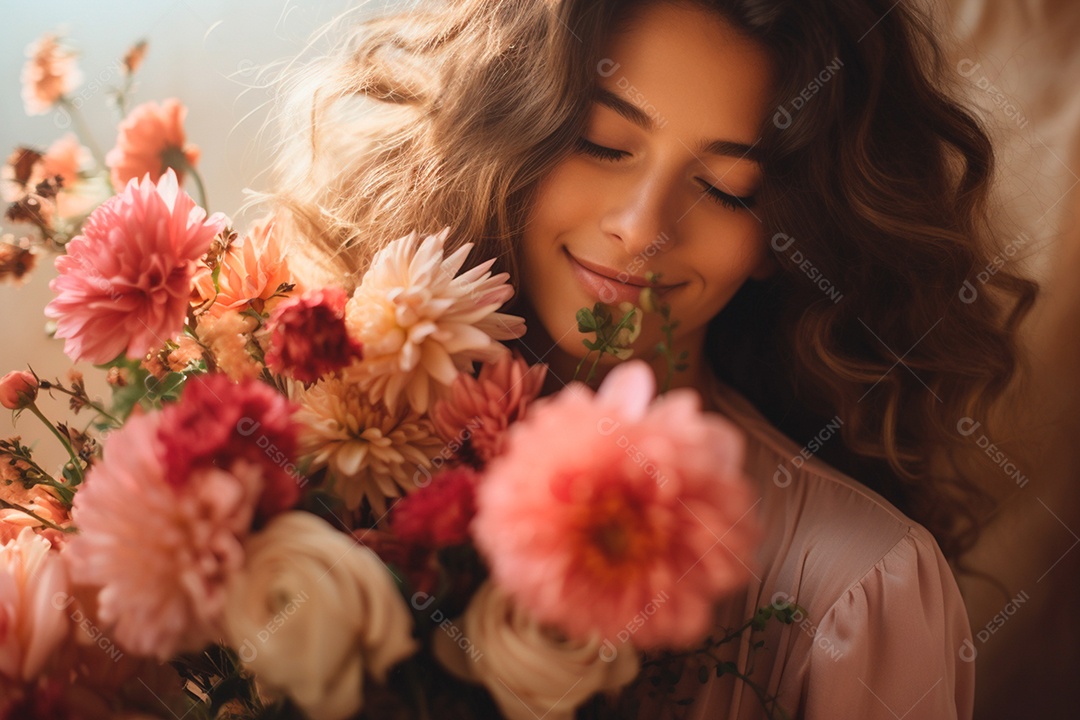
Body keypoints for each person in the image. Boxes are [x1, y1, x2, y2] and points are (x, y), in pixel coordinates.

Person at [262, 0, 1037, 717]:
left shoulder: (861, 587)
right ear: (507, 134)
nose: (644, 228)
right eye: (603, 144)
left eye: (729, 189)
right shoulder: (311, 444)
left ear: (783, 238)